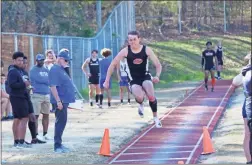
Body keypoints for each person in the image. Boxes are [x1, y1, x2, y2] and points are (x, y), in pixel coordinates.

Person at [103, 31, 162, 128]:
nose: (133, 42)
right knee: (139, 97)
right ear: (128, 41)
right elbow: (113, 64)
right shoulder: (125, 51)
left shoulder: (146, 50)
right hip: (133, 79)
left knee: (151, 95)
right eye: (130, 40)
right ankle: (141, 104)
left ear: (139, 39)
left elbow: (158, 65)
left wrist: (157, 76)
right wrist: (106, 80)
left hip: (145, 76)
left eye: (135, 39)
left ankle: (155, 117)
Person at [49, 50, 75, 153]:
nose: (67, 62)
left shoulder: (61, 69)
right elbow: (53, 86)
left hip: (64, 100)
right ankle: (57, 146)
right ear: (59, 59)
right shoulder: (55, 69)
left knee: (62, 122)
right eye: (66, 60)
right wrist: (58, 101)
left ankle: (59, 143)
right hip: (60, 101)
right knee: (60, 123)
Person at [7, 52, 31, 148]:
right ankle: (21, 142)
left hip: (20, 96)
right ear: (14, 61)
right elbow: (12, 85)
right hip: (17, 97)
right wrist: (24, 84)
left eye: (22, 60)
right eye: (19, 60)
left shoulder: (19, 71)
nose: (21, 62)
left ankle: (17, 141)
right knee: (24, 118)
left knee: (17, 119)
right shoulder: (13, 71)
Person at [21, 56, 46, 144]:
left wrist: (28, 87)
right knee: (23, 119)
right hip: (21, 98)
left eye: (26, 62)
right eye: (23, 62)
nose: (25, 64)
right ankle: (20, 140)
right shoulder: (16, 72)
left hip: (27, 96)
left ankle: (34, 138)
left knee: (32, 117)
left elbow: (28, 84)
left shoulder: (25, 72)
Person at [30, 54, 52, 141]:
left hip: (46, 94)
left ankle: (45, 133)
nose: (41, 61)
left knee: (46, 114)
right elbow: (38, 80)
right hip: (37, 95)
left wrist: (45, 81)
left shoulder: (46, 70)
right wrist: (45, 80)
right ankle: (36, 134)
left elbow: (50, 80)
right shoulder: (33, 70)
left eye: (42, 60)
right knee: (36, 115)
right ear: (36, 60)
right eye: (39, 60)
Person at [241, 52, 252, 164]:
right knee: (248, 134)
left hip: (247, 103)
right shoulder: (247, 72)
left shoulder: (246, 71)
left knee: (248, 134)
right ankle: (249, 161)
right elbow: (234, 82)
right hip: (248, 105)